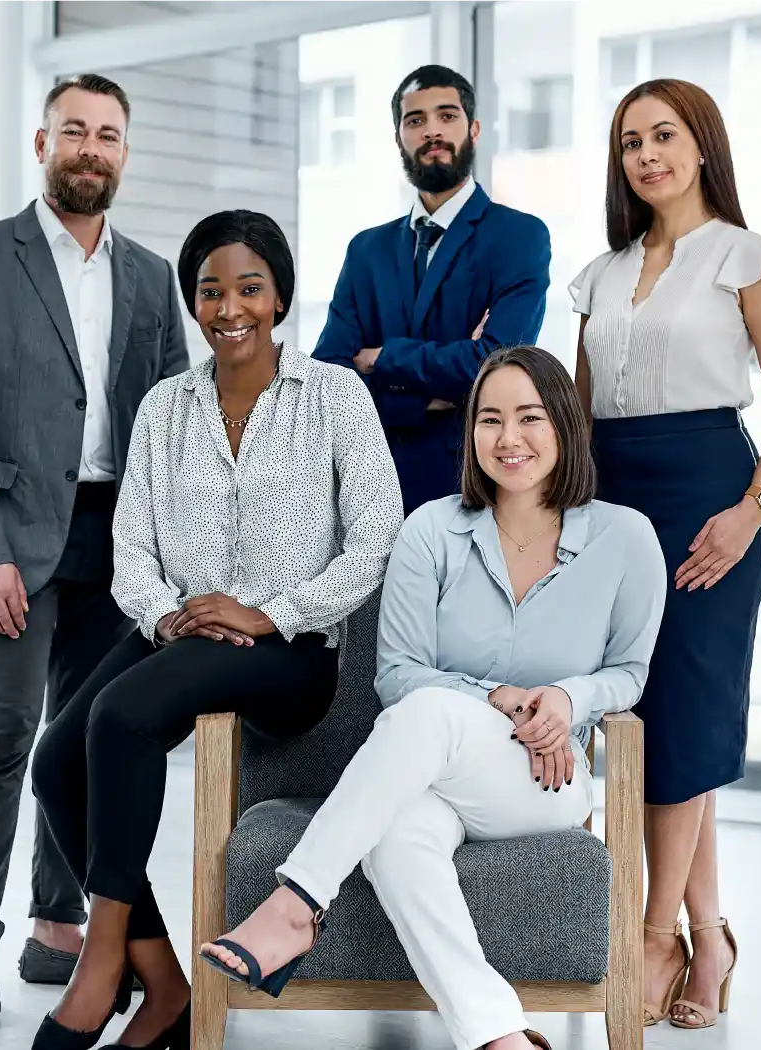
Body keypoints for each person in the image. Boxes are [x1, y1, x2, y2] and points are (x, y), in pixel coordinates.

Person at [197, 345, 667, 1050]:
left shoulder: (627, 538)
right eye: (490, 420)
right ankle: (500, 1034)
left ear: (567, 427)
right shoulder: (431, 532)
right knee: (397, 836)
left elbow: (629, 673)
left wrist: (569, 698)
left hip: (544, 776)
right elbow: (399, 677)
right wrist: (501, 697)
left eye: (531, 418)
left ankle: (295, 904)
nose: (509, 439)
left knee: (427, 719)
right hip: (432, 771)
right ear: (470, 432)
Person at [27, 210, 401, 1050]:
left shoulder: (336, 397)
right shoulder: (165, 408)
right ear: (195, 304)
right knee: (56, 761)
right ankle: (162, 983)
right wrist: (167, 615)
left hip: (293, 652)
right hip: (180, 632)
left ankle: (102, 968)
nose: (230, 306)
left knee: (121, 721)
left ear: (279, 299)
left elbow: (377, 535)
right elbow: (132, 546)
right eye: (211, 290)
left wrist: (270, 613)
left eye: (249, 287)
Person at [0, 72, 190, 1025]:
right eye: (73, 131)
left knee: (79, 736)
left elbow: (169, 423)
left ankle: (60, 930)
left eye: (108, 135)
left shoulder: (154, 277)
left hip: (114, 540)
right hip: (8, 538)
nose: (90, 147)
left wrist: (161, 553)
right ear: (42, 147)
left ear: (124, 153)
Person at [568, 79, 761, 1031]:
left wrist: (752, 512)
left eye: (664, 136)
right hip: (614, 499)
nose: (646, 155)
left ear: (702, 145)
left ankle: (655, 934)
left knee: (687, 717)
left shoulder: (746, 258)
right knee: (650, 722)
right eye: (631, 141)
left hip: (713, 497)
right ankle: (709, 936)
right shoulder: (599, 274)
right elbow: (580, 419)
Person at [314, 64, 552, 517]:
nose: (431, 131)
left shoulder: (519, 236)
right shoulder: (367, 250)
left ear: (474, 129)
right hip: (373, 488)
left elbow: (495, 365)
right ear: (399, 137)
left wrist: (381, 359)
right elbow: (331, 379)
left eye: (447, 116)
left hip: (473, 486)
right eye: (415, 120)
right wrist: (428, 397)